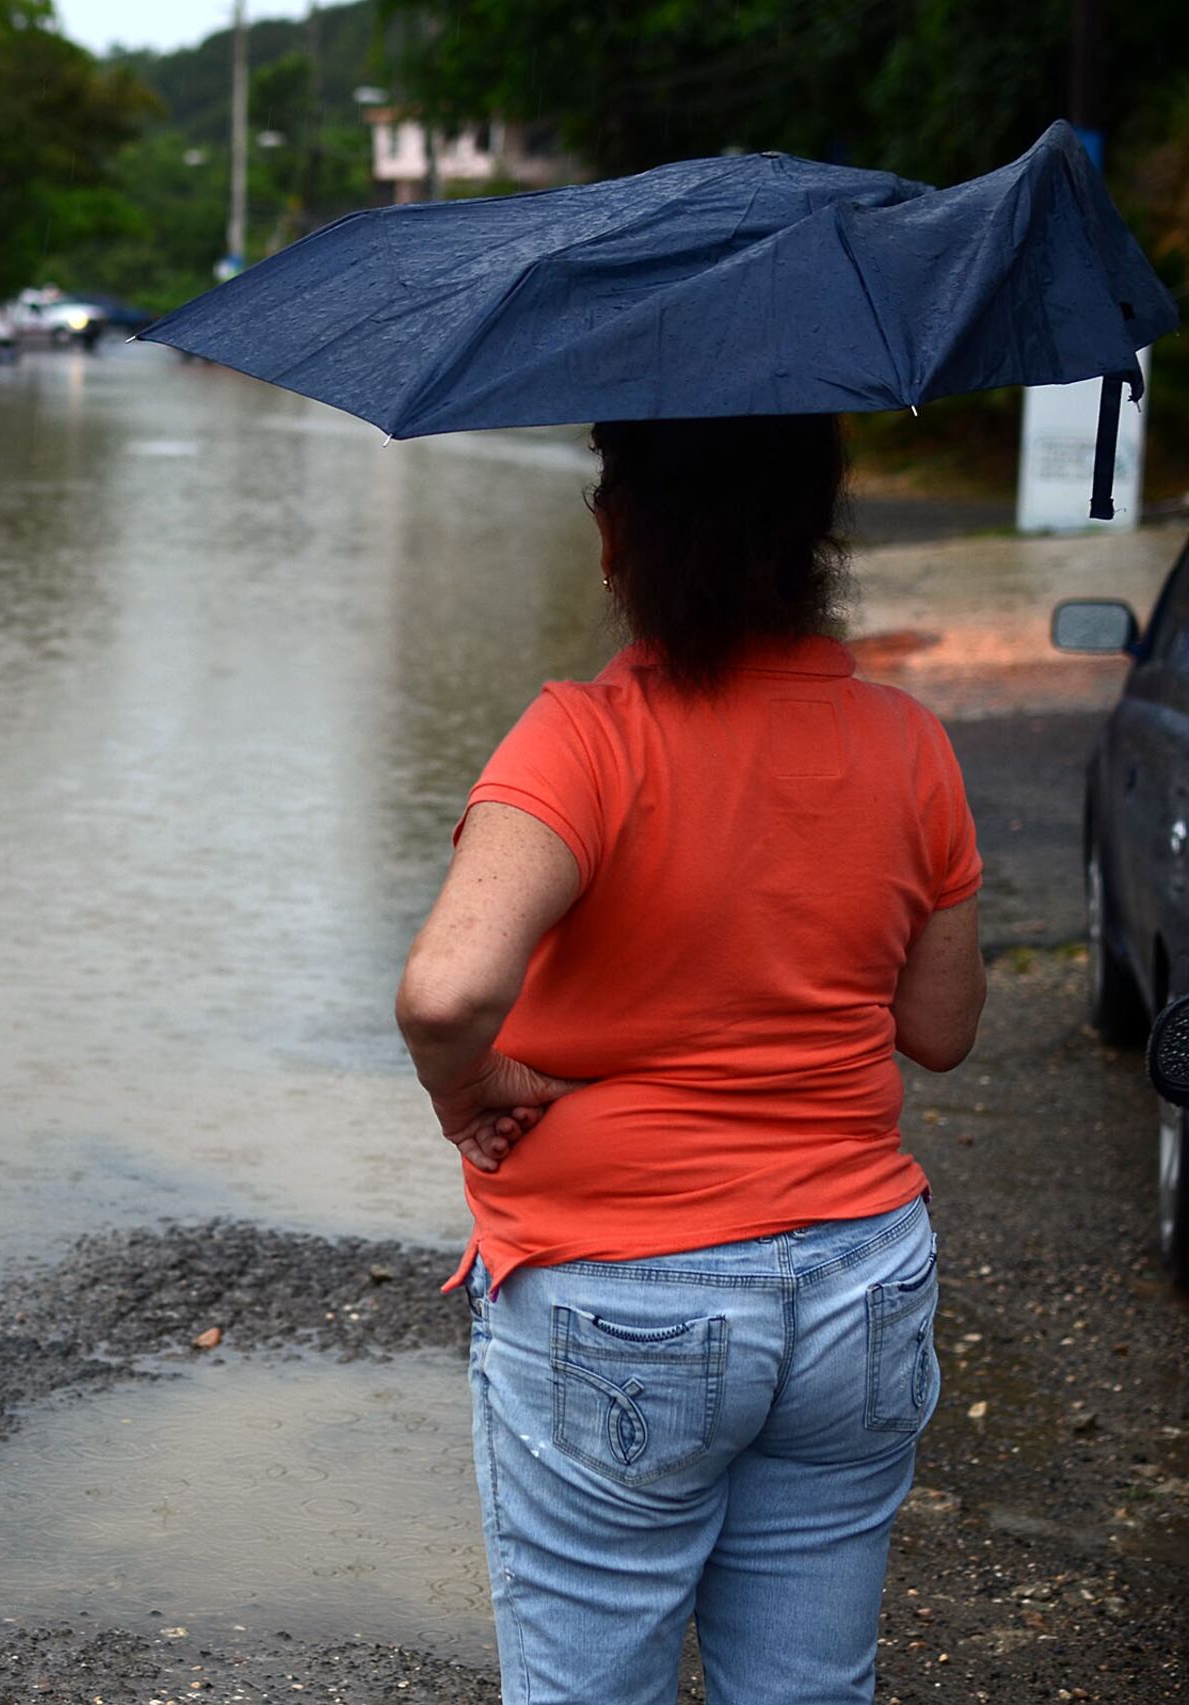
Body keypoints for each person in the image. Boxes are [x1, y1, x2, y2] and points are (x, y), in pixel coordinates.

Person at [393, 414, 987, 1705]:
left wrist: (471, 1090)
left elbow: (447, 989)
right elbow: (941, 1029)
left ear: (618, 537)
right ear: (818, 535)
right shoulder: (910, 745)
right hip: (860, 1284)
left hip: (622, 1289)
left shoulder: (581, 739)